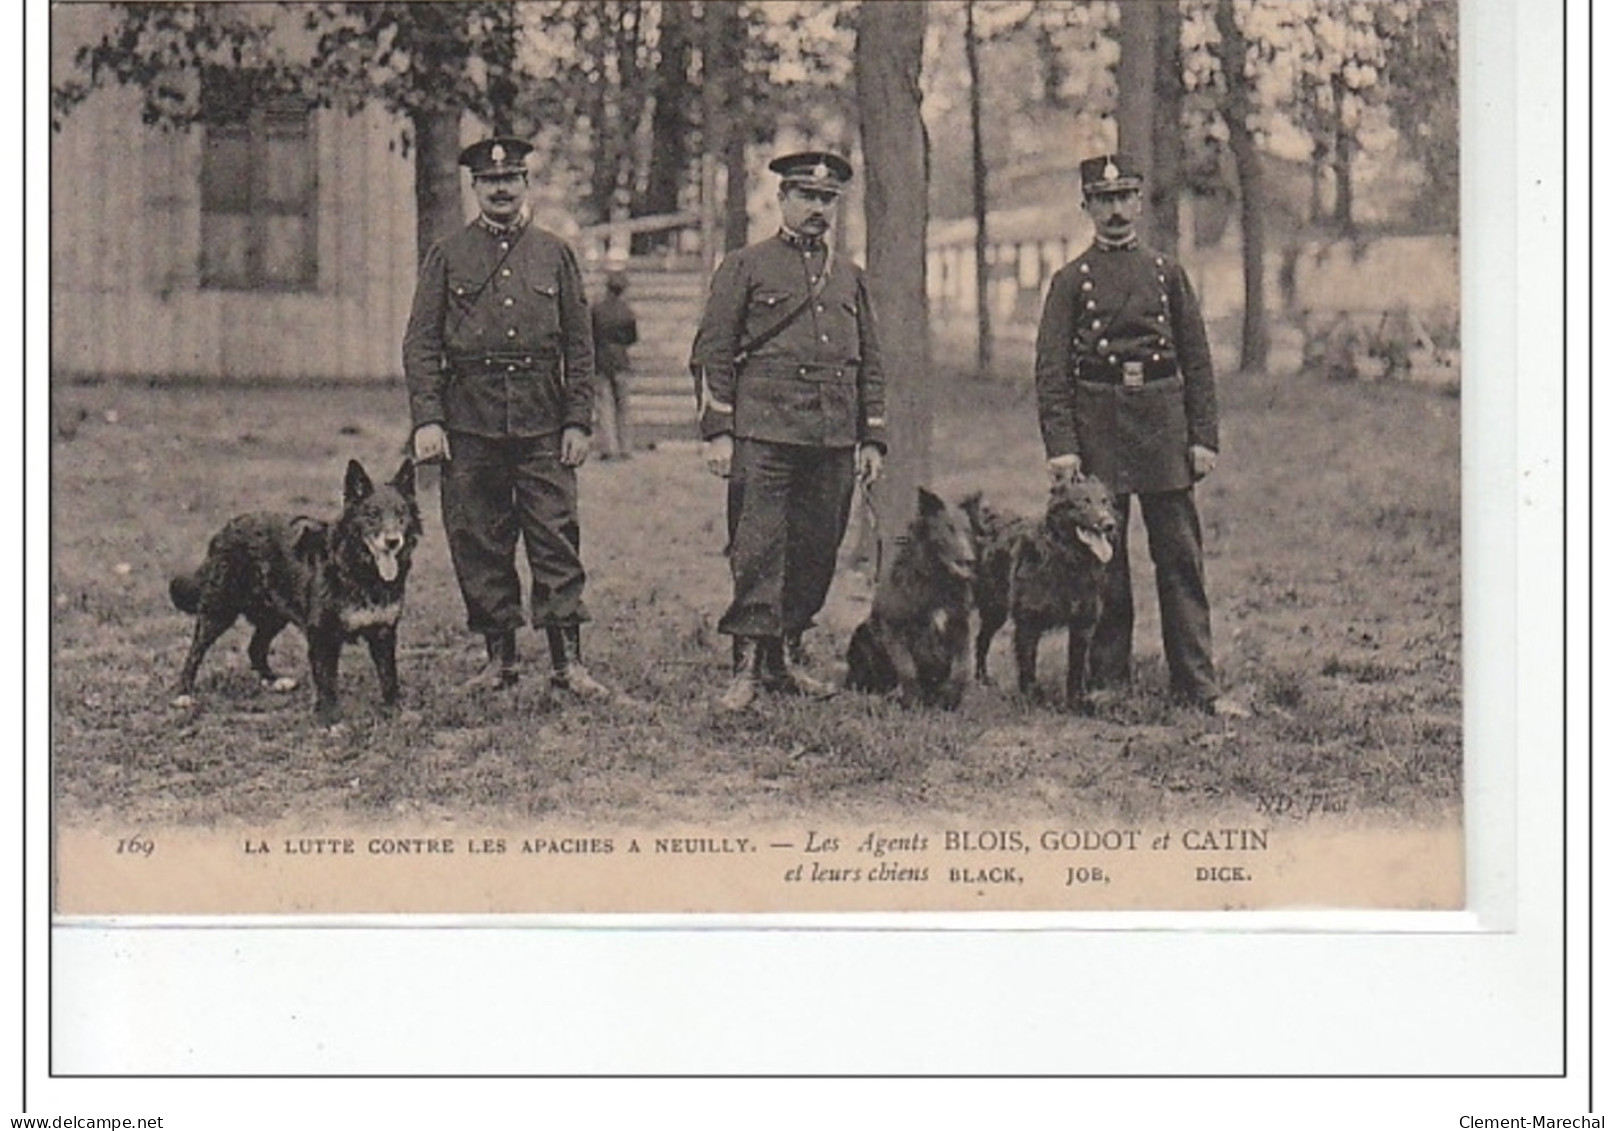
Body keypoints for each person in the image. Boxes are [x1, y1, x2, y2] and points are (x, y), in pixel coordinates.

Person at [1033, 152, 1246, 718]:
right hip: (1098, 424)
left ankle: (1197, 683)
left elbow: (1197, 362)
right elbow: (1051, 372)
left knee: (1179, 555)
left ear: (1139, 203)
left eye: (1124, 198)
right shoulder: (1069, 282)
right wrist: (1062, 447)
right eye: (1103, 201)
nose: (1115, 211)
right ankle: (1106, 682)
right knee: (1104, 559)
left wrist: (1203, 436)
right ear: (1087, 208)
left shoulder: (1166, 274)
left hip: (1162, 426)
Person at [403, 136, 611, 698]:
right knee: (478, 538)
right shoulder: (448, 256)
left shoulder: (555, 254)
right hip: (469, 421)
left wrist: (578, 421)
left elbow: (581, 345)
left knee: (554, 535)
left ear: (524, 185)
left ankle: (569, 661)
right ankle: (500, 658)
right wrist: (429, 419)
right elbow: (421, 342)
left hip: (543, 420)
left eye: (511, 179)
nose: (501, 189)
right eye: (490, 181)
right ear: (475, 188)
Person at [688, 151, 887, 712]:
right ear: (782, 200)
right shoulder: (746, 266)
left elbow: (870, 361)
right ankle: (747, 666)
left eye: (827, 199)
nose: (818, 207)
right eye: (807, 196)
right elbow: (712, 352)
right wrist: (718, 431)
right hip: (765, 434)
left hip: (831, 436)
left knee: (816, 549)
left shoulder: (849, 277)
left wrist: (871, 436)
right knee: (758, 547)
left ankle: (786, 657)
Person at [590, 269, 638, 459]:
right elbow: (632, 338)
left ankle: (608, 447)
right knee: (623, 406)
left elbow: (591, 334)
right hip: (620, 359)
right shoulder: (627, 311)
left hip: (601, 359)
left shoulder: (597, 310)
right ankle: (626, 447)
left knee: (604, 406)